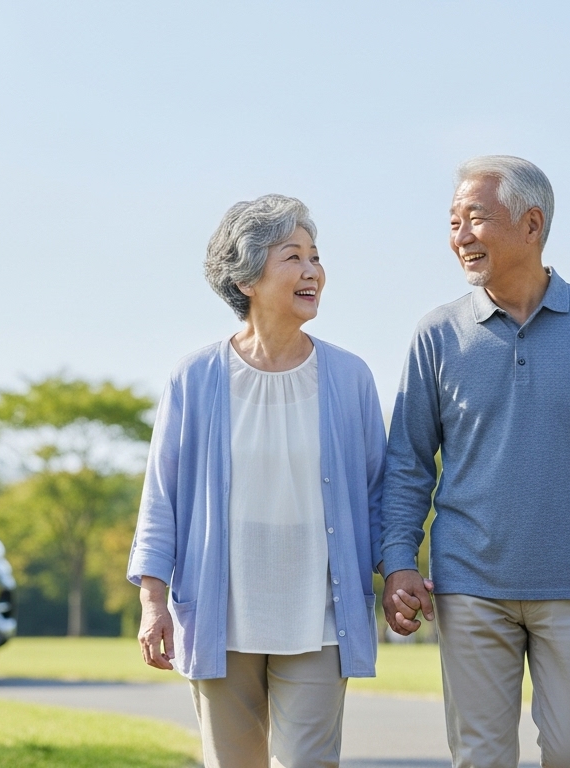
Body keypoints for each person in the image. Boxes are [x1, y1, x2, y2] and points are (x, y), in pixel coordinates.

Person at [381, 156, 570, 767]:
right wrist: (398, 562)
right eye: (453, 220)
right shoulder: (437, 334)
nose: (460, 235)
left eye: (476, 218)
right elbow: (408, 463)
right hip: (468, 587)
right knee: (480, 758)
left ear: (532, 224)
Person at [128, 194, 386, 767]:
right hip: (221, 613)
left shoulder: (349, 377)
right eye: (292, 256)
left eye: (315, 256)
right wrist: (152, 601)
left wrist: (397, 571)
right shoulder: (195, 377)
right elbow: (162, 498)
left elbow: (378, 496)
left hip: (319, 615)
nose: (312, 270)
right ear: (246, 278)